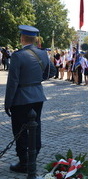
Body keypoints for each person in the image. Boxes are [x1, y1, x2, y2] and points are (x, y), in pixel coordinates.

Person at [4, 25, 55, 173]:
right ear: (34, 39)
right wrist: (37, 81)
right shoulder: (42, 54)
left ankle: (23, 162)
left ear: (22, 38)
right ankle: (32, 157)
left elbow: (12, 82)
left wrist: (8, 103)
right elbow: (52, 71)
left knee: (19, 130)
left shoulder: (18, 55)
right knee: (35, 128)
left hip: (21, 99)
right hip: (38, 96)